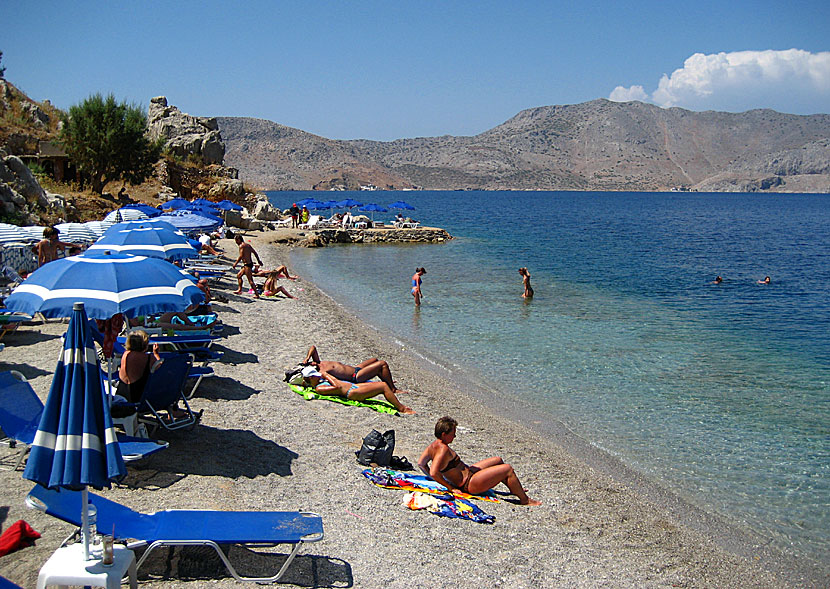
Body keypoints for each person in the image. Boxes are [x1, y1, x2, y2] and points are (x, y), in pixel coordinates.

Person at [418, 416, 541, 505]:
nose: (454, 436)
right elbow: (434, 472)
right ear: (444, 434)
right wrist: (450, 487)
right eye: (453, 434)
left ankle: (514, 488)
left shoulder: (432, 446)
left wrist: (445, 478)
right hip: (469, 484)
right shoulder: (442, 449)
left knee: (498, 460)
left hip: (469, 474)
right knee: (507, 469)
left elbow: (421, 464)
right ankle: (525, 500)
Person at [300, 366, 415, 414]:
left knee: (380, 385)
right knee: (383, 386)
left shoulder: (318, 383)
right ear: (311, 378)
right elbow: (337, 387)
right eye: (315, 375)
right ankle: (402, 408)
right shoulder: (319, 388)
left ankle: (401, 407)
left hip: (353, 387)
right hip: (352, 392)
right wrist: (327, 376)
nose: (318, 375)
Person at [302, 344, 410, 395]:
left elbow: (313, 347)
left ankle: (387, 379)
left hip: (356, 368)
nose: (313, 361)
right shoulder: (321, 373)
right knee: (382, 364)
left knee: (374, 360)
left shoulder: (320, 363)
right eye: (311, 363)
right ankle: (393, 389)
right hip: (356, 377)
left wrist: (307, 358)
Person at [116, 330, 162, 403]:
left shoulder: (125, 354)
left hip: (122, 395)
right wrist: (156, 354)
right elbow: (161, 370)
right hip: (139, 397)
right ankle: (173, 410)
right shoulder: (147, 358)